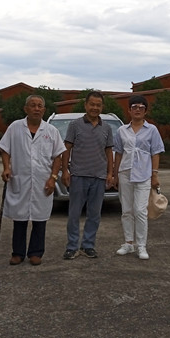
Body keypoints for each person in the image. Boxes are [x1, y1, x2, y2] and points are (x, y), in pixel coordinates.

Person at [0, 95, 65, 266]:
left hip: (43, 181)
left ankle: (36, 253)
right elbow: (5, 149)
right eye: (33, 105)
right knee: (19, 218)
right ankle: (18, 253)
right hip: (20, 179)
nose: (36, 108)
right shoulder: (15, 127)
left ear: (44, 110)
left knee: (40, 219)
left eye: (39, 106)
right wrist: (6, 167)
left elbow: (58, 156)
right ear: (26, 108)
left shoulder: (51, 131)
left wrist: (53, 178)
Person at [61, 90, 115, 260]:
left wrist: (110, 173)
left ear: (102, 107)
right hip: (78, 176)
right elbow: (67, 149)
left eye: (98, 105)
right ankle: (72, 246)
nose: (95, 108)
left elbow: (109, 152)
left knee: (94, 214)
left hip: (99, 177)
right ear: (85, 105)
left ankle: (88, 245)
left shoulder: (106, 128)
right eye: (92, 104)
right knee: (74, 214)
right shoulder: (74, 125)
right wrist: (65, 170)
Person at [112, 95, 165, 260]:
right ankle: (128, 243)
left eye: (141, 107)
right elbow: (118, 153)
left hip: (144, 174)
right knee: (126, 210)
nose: (137, 110)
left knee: (140, 210)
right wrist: (115, 174)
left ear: (145, 111)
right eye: (134, 107)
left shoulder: (152, 130)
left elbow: (156, 152)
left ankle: (142, 245)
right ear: (129, 110)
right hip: (125, 173)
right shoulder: (122, 130)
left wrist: (154, 174)